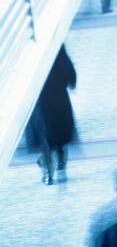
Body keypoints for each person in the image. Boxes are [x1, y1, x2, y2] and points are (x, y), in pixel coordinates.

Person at [26, 46, 77, 185]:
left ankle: (48, 168)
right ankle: (59, 161)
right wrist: (72, 79)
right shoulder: (53, 44)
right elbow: (64, 62)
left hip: (39, 97)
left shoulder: (27, 49)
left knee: (44, 133)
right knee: (58, 131)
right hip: (57, 94)